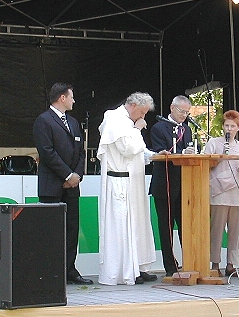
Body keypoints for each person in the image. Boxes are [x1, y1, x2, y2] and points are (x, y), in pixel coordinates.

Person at [97, 92, 168, 285]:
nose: (143, 117)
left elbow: (139, 151)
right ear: (134, 105)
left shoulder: (129, 122)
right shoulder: (113, 118)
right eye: (143, 112)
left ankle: (140, 266)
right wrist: (137, 129)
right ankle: (127, 270)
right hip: (120, 182)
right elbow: (127, 148)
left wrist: (153, 155)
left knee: (138, 224)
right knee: (123, 226)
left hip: (134, 181)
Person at [33, 82, 93, 285]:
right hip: (52, 185)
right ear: (62, 98)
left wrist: (76, 175)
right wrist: (67, 175)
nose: (74, 100)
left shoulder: (74, 123)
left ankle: (69, 270)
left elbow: (81, 153)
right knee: (51, 230)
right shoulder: (43, 121)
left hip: (73, 186)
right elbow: (47, 152)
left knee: (71, 228)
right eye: (72, 97)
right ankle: (51, 272)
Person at [149, 95, 194, 277]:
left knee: (185, 224)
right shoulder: (159, 128)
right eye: (181, 111)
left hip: (184, 183)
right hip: (164, 182)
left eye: (187, 112)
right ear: (172, 108)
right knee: (166, 226)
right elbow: (159, 152)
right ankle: (170, 265)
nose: (184, 115)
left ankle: (190, 261)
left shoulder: (187, 129)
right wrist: (181, 152)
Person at [203, 110, 239, 277]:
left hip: (236, 193)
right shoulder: (214, 143)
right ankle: (215, 264)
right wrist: (222, 154)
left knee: (235, 231)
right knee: (217, 229)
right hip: (219, 192)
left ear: (238, 128)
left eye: (233, 126)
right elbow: (206, 163)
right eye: (226, 125)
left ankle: (232, 264)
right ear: (223, 127)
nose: (229, 129)